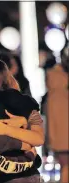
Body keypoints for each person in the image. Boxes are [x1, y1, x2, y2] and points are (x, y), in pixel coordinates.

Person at [46, 53, 69, 183]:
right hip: (63, 138)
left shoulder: (53, 93)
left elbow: (51, 118)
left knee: (65, 168)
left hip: (60, 138)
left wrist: (51, 139)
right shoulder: (60, 90)